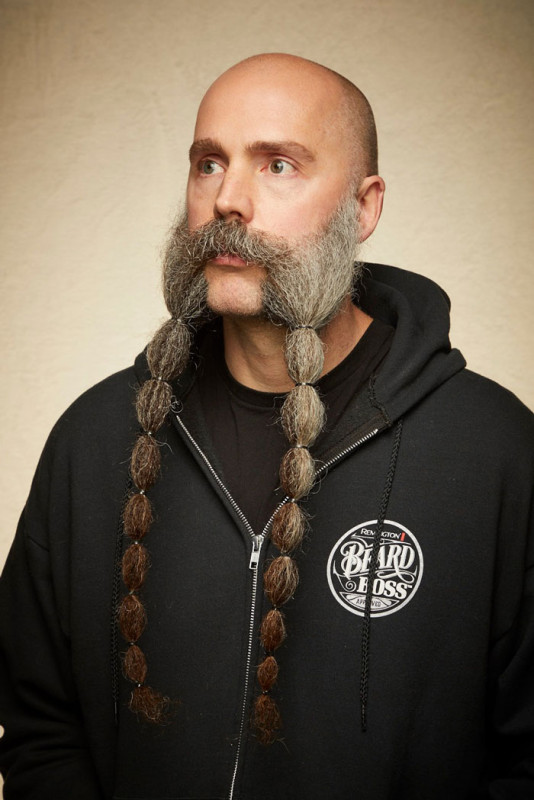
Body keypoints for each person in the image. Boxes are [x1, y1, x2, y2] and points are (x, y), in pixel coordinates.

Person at [0, 53, 533, 800]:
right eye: (209, 164)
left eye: (278, 165)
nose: (229, 200)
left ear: (364, 207)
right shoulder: (92, 442)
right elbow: (40, 729)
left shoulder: (496, 452)